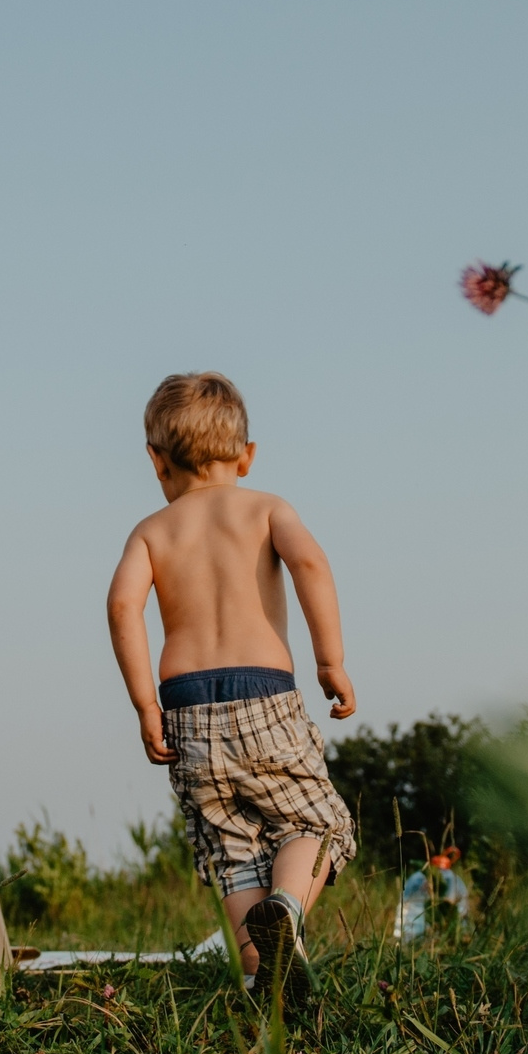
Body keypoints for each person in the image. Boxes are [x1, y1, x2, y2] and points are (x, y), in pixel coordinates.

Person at [105, 372, 358, 1007]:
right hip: (264, 693)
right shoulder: (267, 506)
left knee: (230, 847)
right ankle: (288, 913)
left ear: (156, 461)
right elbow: (310, 564)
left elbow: (121, 607)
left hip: (185, 708)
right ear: (247, 456)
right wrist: (331, 661)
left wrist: (145, 706)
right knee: (316, 821)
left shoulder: (152, 530)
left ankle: (260, 981)